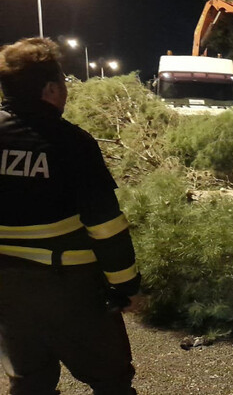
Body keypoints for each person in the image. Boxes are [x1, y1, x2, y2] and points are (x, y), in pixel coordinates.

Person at [0, 38, 142, 395]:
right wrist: (127, 287)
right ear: (50, 89)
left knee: (29, 381)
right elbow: (106, 226)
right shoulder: (71, 143)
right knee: (111, 379)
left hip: (5, 289)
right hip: (68, 287)